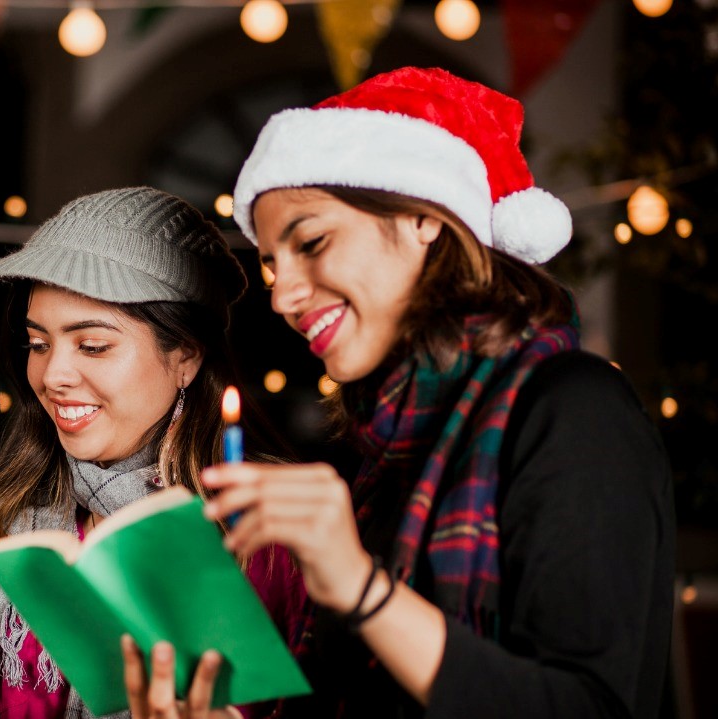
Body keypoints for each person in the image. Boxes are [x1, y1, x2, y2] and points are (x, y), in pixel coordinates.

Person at [201, 67, 674, 718]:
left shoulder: (575, 410)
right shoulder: (379, 455)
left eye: (311, 242)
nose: (282, 296)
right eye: (271, 264)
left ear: (425, 217)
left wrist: (363, 590)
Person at [0, 187, 306, 719]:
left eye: (93, 345)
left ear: (186, 356)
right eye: (38, 344)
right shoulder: (14, 518)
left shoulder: (266, 534)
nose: (52, 376)